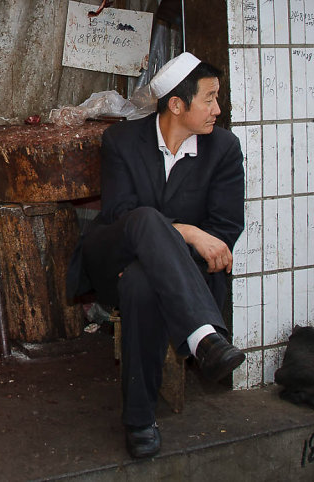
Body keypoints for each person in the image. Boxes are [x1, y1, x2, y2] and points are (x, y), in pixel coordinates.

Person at [66, 52, 246, 458]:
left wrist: (192, 242)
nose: (218, 109)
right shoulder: (122, 141)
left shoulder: (223, 149)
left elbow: (226, 228)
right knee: (144, 220)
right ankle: (204, 335)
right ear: (177, 105)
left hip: (177, 274)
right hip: (113, 253)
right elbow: (118, 213)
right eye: (210, 99)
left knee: (143, 285)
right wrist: (187, 231)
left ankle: (139, 419)